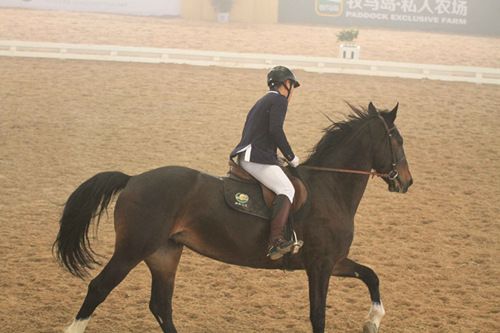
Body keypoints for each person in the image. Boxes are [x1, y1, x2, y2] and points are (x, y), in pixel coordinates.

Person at [230, 65, 303, 260]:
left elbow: (259, 132)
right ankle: (276, 242)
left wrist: (275, 157)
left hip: (249, 154)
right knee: (287, 190)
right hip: (256, 157)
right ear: (286, 84)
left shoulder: (263, 100)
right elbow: (275, 130)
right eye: (293, 86)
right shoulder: (279, 100)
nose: (292, 91)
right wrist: (290, 157)